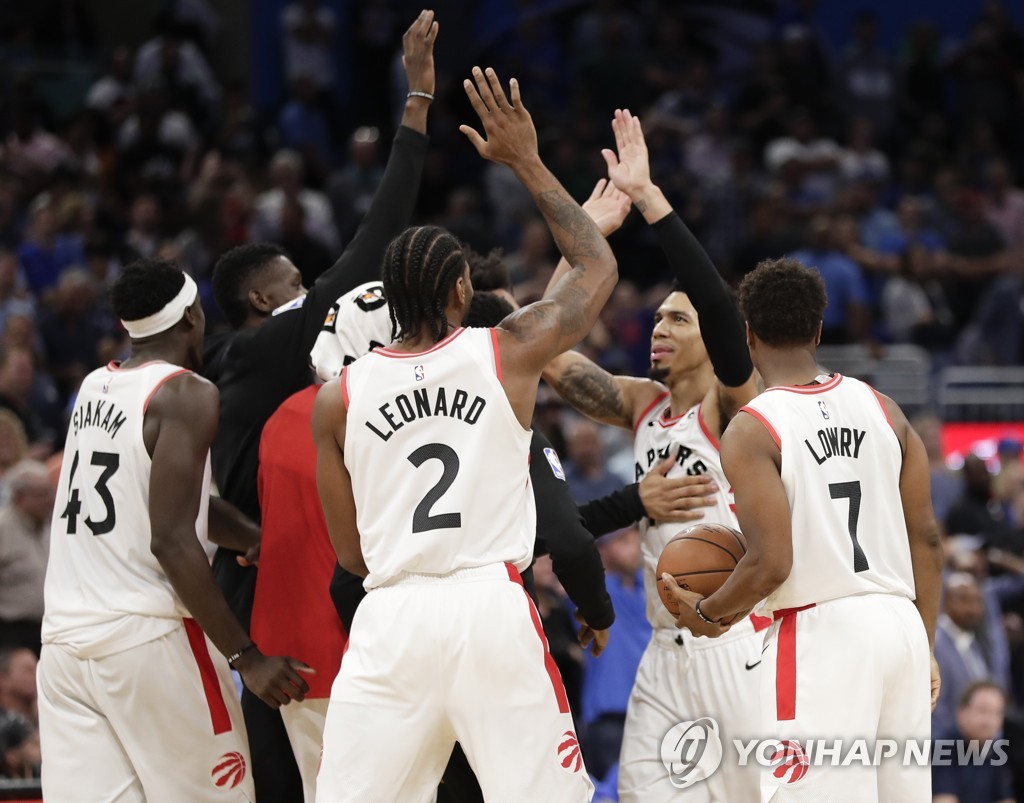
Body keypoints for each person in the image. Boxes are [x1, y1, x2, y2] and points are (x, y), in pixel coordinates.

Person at [312, 65, 617, 801]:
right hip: (488, 606)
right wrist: (526, 160)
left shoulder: (338, 396)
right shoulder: (506, 352)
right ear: (460, 289)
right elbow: (596, 265)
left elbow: (349, 554)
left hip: (392, 614)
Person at [204, 12, 437, 799]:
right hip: (280, 592)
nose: (314, 293)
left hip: (257, 575)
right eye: (296, 283)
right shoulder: (273, 347)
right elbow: (374, 241)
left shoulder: (224, 368)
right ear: (264, 299)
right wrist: (416, 105)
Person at [543, 109, 768, 802]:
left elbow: (719, 307)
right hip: (662, 651)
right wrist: (584, 239)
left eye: (678, 319)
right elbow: (544, 350)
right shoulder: (643, 402)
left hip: (734, 642)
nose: (658, 328)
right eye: (658, 317)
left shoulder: (736, 405)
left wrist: (649, 198)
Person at [664, 257, 944, 801]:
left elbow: (772, 562)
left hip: (822, 635)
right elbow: (927, 539)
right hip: (901, 628)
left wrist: (710, 615)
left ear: (749, 334)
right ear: (818, 329)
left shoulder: (754, 428)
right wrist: (925, 646)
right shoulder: (885, 409)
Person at [37, 260, 310, 802]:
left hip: (65, 647)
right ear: (191, 316)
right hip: (148, 639)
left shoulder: (94, 386)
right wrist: (246, 657)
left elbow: (155, 500)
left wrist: (250, 536)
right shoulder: (186, 393)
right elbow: (171, 538)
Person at [0, 461, 53, 654]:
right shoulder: (3, 529)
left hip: (49, 629)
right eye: (41, 494)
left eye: (50, 492)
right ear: (19, 497)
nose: (49, 500)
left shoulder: (52, 527)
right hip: (12, 634)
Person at [932, 682, 1015, 803]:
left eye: (997, 713)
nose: (989, 721)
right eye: (982, 711)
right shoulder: (943, 749)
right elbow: (944, 799)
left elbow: (1005, 799)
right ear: (961, 712)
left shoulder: (996, 752)